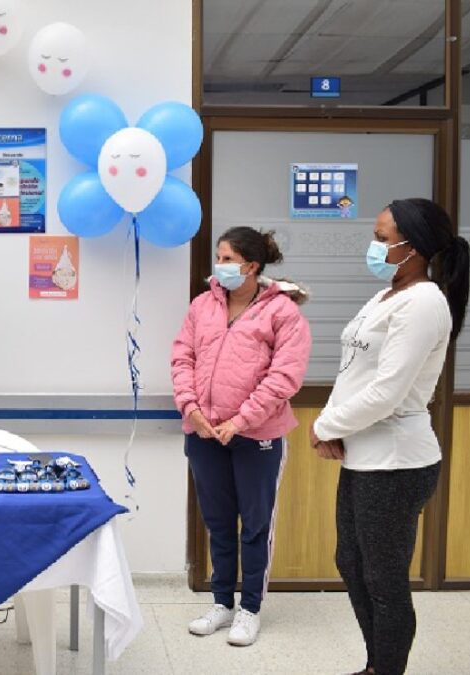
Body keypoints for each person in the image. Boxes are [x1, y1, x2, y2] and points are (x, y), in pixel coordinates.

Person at [310, 198, 470, 675]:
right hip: (365, 455)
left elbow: (387, 391)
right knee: (351, 562)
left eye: (382, 239)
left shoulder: (424, 301)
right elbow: (355, 372)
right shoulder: (387, 296)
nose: (373, 247)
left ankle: (384, 670)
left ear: (414, 247)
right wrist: (335, 422)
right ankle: (377, 665)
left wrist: (325, 426)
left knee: (384, 580)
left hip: (397, 462)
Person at [171, 226, 312, 647]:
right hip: (204, 433)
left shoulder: (283, 313)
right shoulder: (202, 305)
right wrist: (191, 408)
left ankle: (249, 608)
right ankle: (221, 603)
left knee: (254, 525)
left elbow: (284, 377)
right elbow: (182, 356)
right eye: (219, 257)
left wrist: (242, 420)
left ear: (252, 266)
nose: (221, 266)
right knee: (216, 523)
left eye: (228, 259)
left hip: (257, 437)